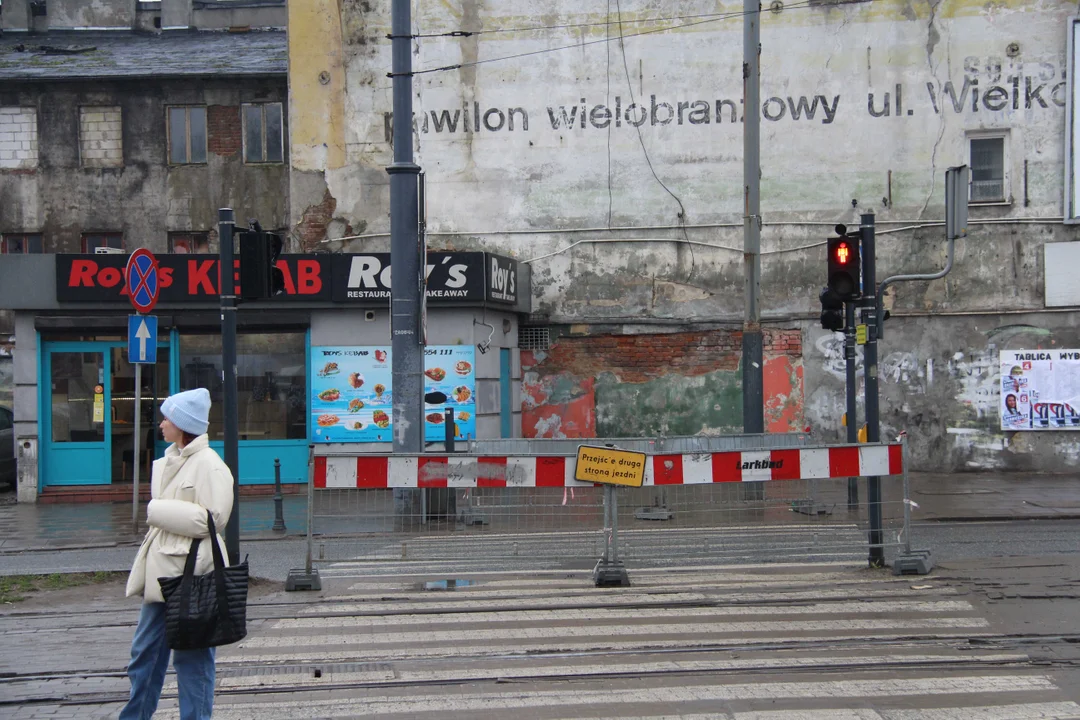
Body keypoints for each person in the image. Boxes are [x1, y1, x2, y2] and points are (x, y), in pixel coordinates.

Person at [120, 388, 233, 720]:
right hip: (162, 575)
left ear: (182, 424)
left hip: (194, 575)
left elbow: (214, 519)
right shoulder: (169, 460)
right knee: (144, 654)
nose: (161, 424)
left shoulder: (210, 465)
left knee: (193, 660)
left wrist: (159, 510)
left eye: (166, 418)